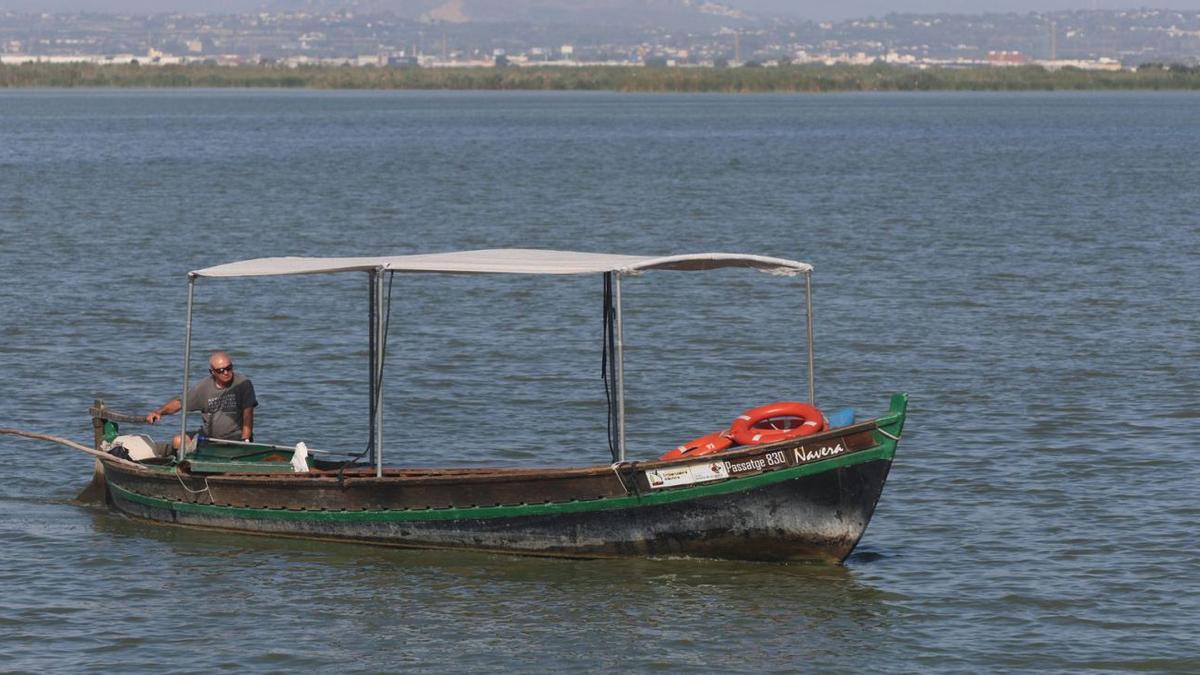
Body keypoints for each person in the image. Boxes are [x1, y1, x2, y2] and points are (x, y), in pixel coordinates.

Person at [146, 351, 257, 450]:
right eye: (221, 370)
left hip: (236, 439)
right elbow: (179, 403)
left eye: (229, 368)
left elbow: (248, 414)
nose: (226, 373)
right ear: (212, 371)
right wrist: (159, 412)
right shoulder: (203, 387)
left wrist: (245, 440)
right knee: (178, 440)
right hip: (209, 438)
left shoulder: (243, 384)